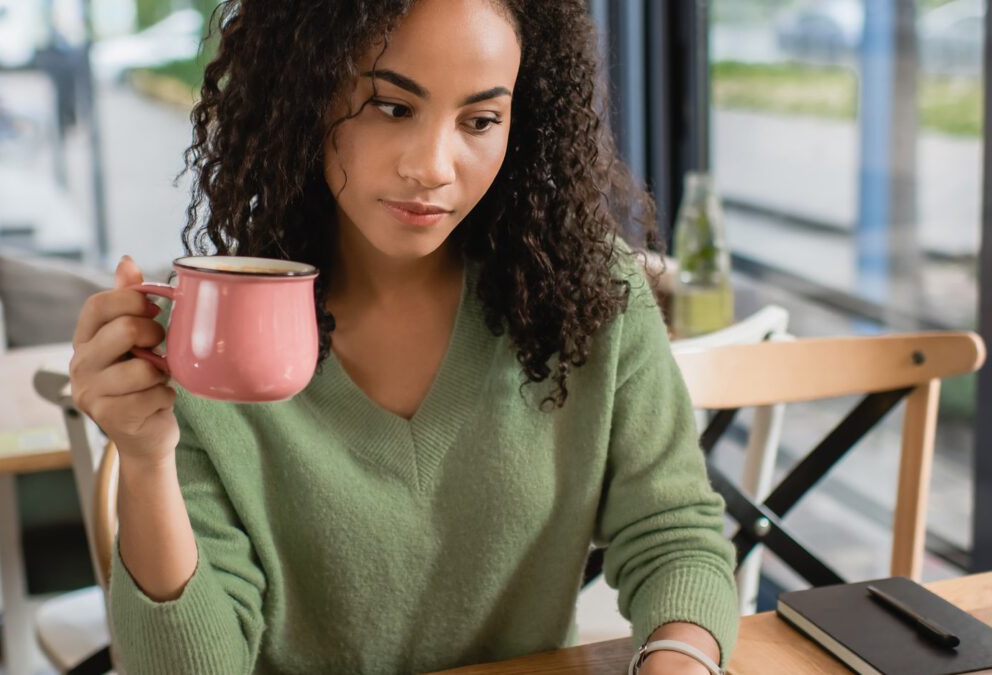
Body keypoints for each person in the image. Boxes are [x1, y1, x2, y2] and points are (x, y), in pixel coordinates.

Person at [68, 0, 739, 673]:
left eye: (480, 120)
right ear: (307, 90)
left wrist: (678, 661)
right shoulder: (207, 338)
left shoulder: (591, 296)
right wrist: (147, 459)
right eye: (392, 107)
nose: (434, 167)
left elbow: (674, 536)